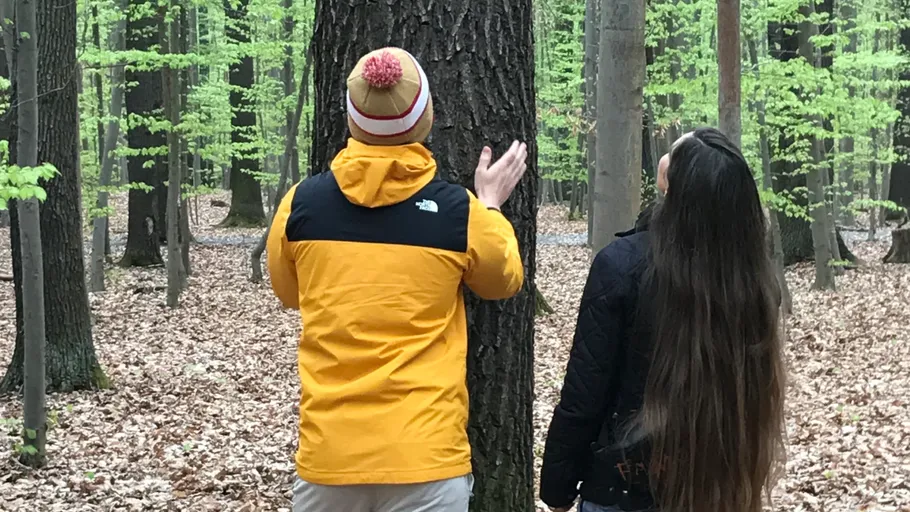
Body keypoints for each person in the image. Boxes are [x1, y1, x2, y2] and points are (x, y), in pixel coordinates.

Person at [266, 47, 528, 512]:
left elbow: (289, 293)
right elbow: (503, 279)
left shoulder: (300, 205)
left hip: (330, 457)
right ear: (425, 116)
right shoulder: (458, 213)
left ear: (352, 120)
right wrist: (488, 204)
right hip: (426, 458)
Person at [539, 128, 787, 512]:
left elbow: (585, 392)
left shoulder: (623, 265)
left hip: (622, 490)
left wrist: (557, 487)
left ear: (675, 188)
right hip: (722, 489)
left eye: (676, 150)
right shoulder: (752, 279)